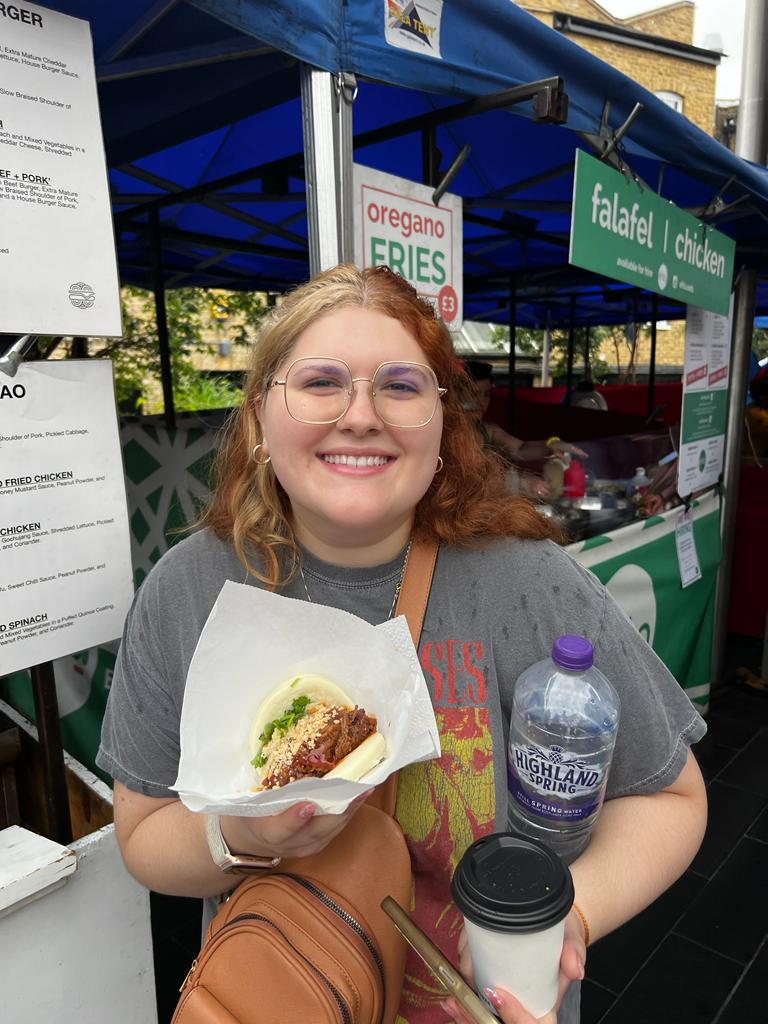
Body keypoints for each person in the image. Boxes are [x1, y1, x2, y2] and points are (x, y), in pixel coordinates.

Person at [97, 265, 707, 1024]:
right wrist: (244, 830)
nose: (361, 416)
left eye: (400, 385)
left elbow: (672, 796)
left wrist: (568, 917)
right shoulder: (188, 590)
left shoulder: (529, 579)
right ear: (259, 417)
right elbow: (144, 836)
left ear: (443, 425)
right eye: (320, 381)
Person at [463, 360, 587, 500]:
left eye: (486, 395)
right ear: (456, 393)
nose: (480, 402)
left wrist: (551, 445)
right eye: (473, 394)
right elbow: (468, 480)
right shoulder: (445, 433)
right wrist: (521, 482)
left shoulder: (487, 430)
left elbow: (520, 448)